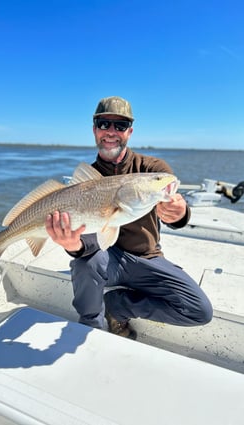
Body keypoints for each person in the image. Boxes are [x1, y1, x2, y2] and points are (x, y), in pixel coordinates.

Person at [45, 96, 213, 339]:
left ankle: (118, 306)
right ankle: (92, 327)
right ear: (94, 129)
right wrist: (75, 247)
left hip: (148, 258)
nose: (111, 132)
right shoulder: (86, 183)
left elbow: (173, 207)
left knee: (199, 310)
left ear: (130, 132)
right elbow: (90, 241)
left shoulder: (153, 169)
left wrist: (180, 212)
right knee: (86, 262)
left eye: (120, 126)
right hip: (108, 259)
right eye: (104, 124)